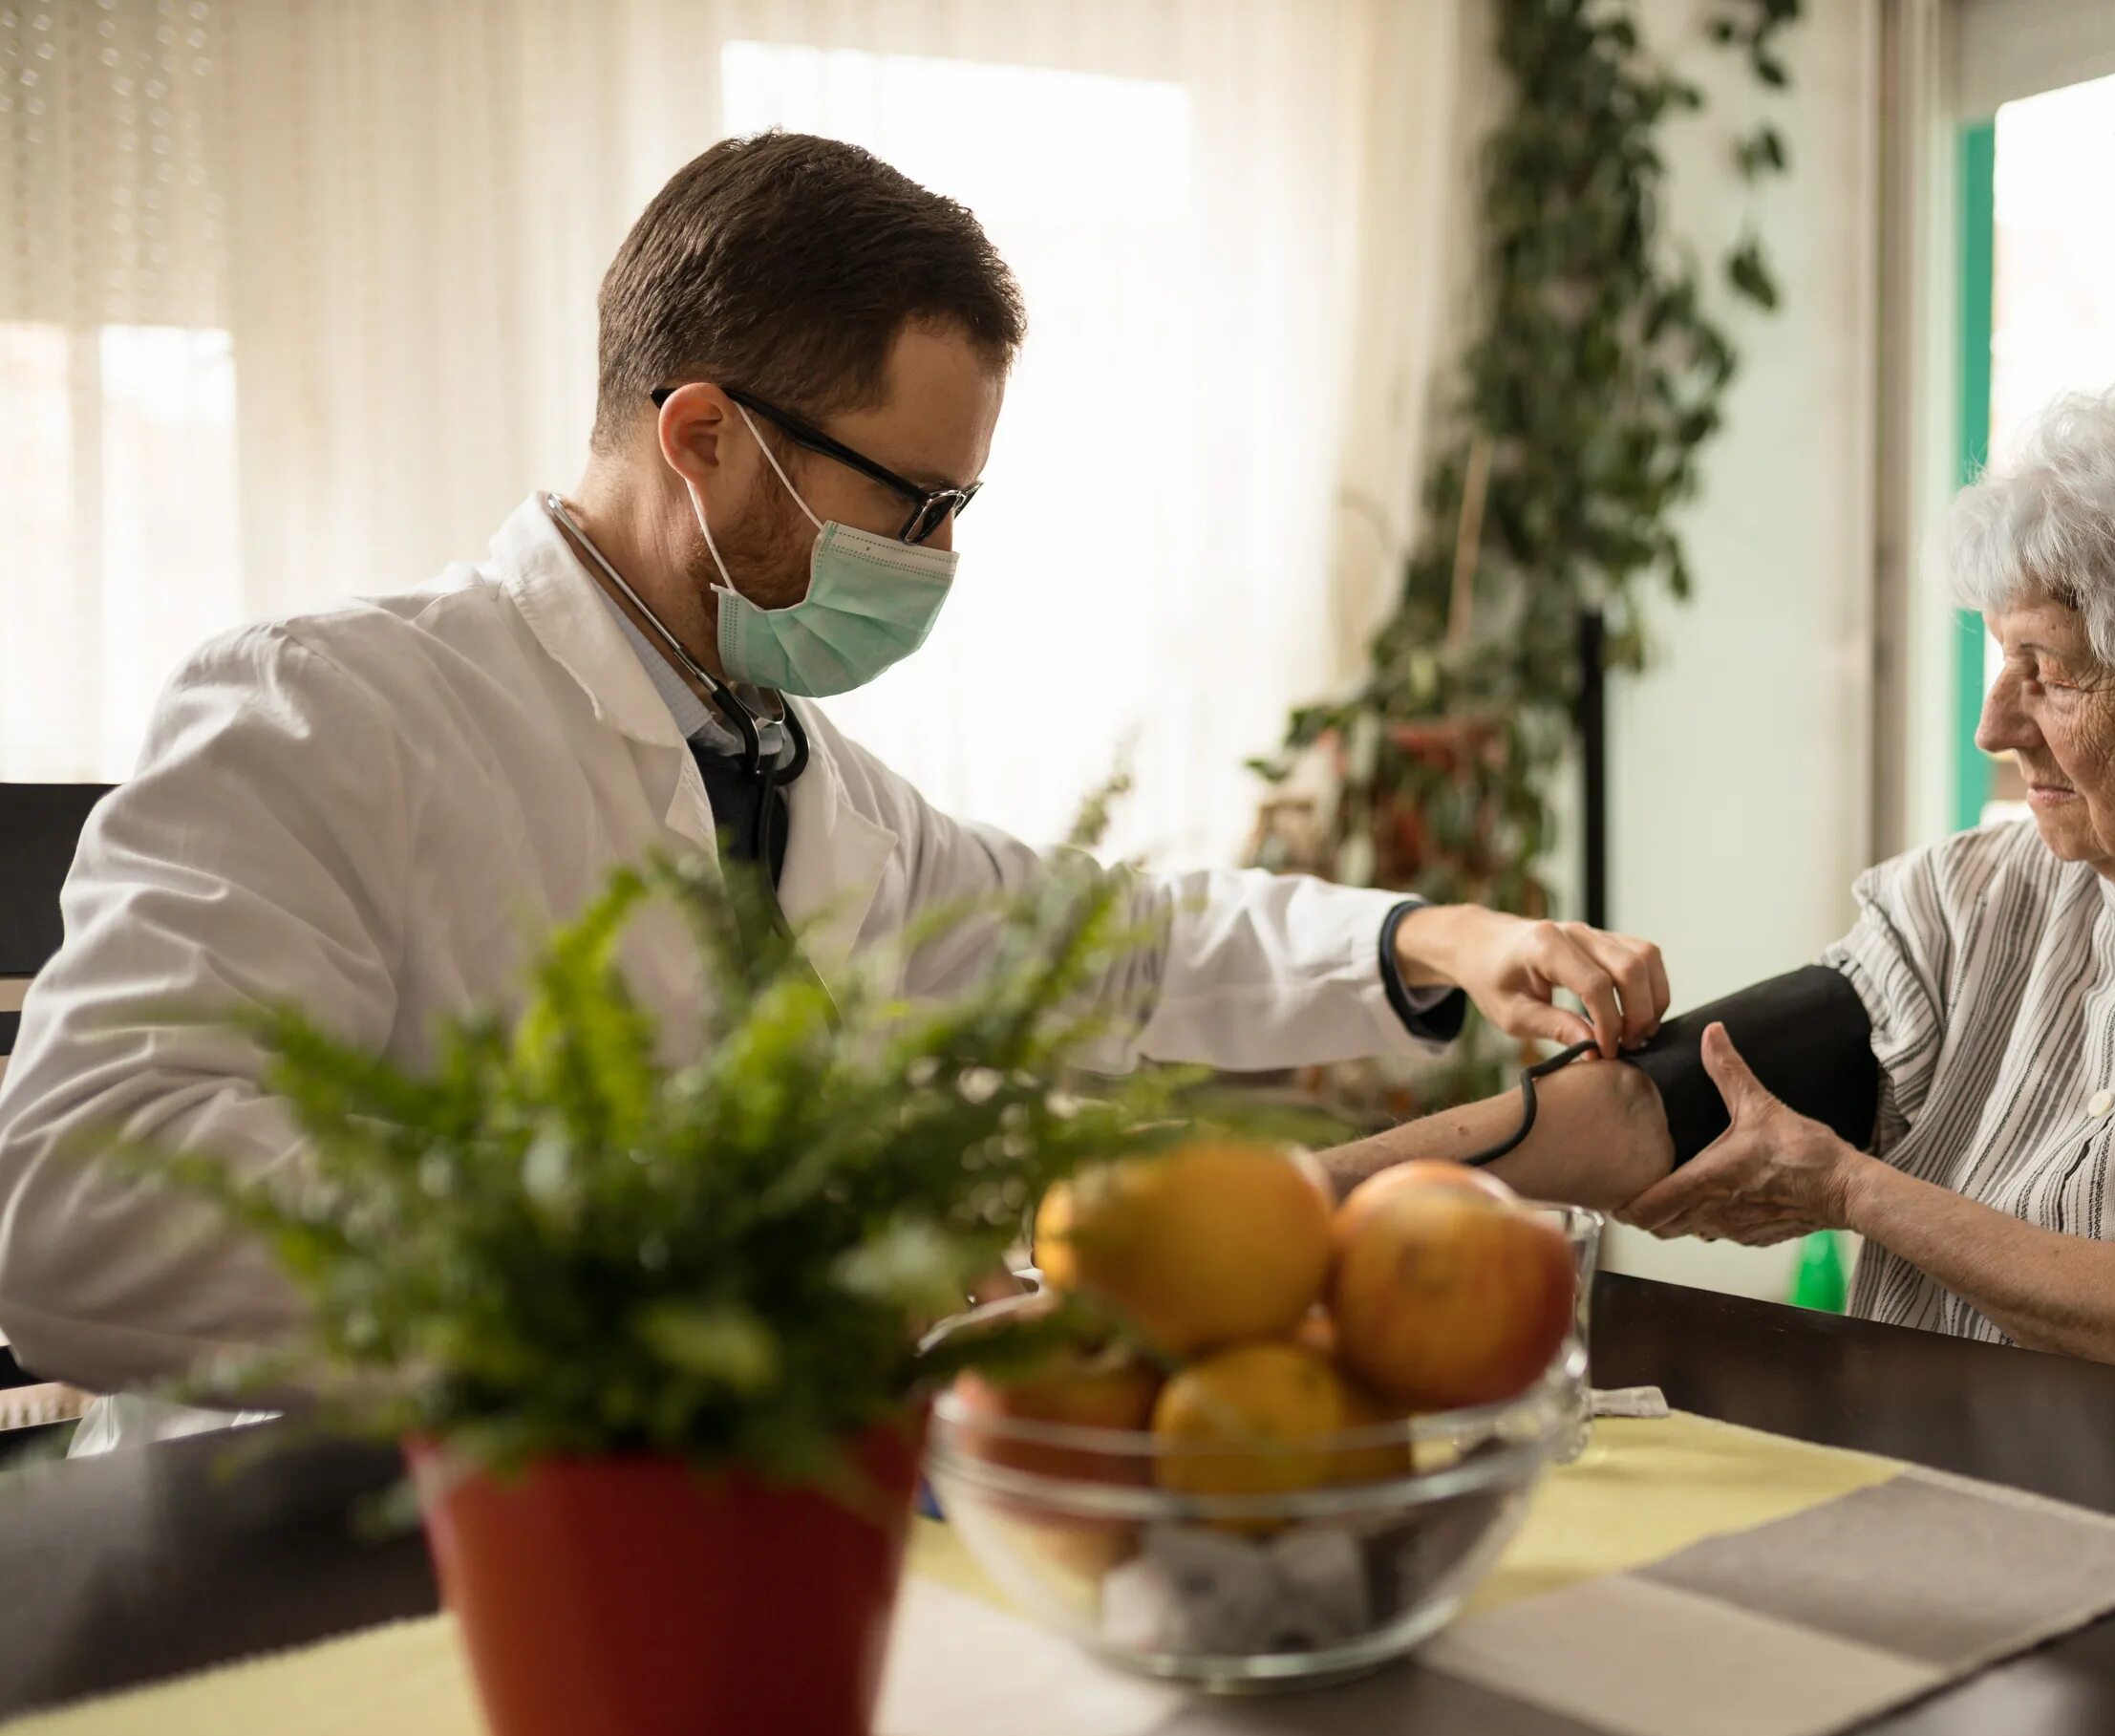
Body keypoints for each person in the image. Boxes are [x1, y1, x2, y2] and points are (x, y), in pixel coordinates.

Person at [0, 134, 1666, 1447]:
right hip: (326, 1529)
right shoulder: (325, 710)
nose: (940, 561)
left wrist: (1432, 937)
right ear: (707, 437)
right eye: (919, 503)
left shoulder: (794, 775)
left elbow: (1108, 940)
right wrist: (692, 1267)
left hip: (719, 1495)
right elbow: (77, 1198)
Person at [1329, 382, 2115, 1433]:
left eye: (2054, 675)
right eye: (1996, 659)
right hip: (1955, 1494)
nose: (1994, 727)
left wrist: (1855, 1190)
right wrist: (1311, 1194)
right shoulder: (1970, 895)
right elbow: (1659, 1107)